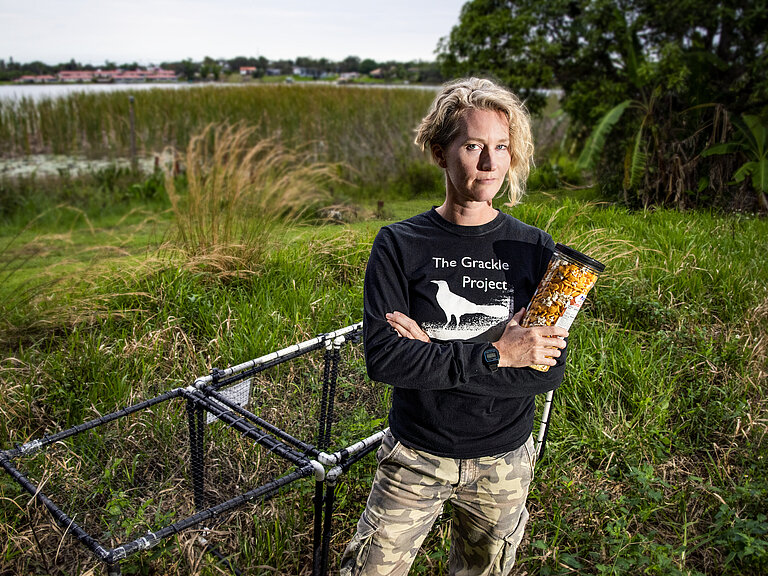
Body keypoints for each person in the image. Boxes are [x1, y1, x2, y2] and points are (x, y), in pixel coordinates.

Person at [340, 77, 569, 576]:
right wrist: (498, 350)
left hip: (503, 460)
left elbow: (546, 371)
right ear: (439, 153)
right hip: (416, 454)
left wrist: (434, 352)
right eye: (473, 146)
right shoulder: (399, 244)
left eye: (502, 148)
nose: (490, 164)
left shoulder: (534, 248)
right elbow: (386, 359)